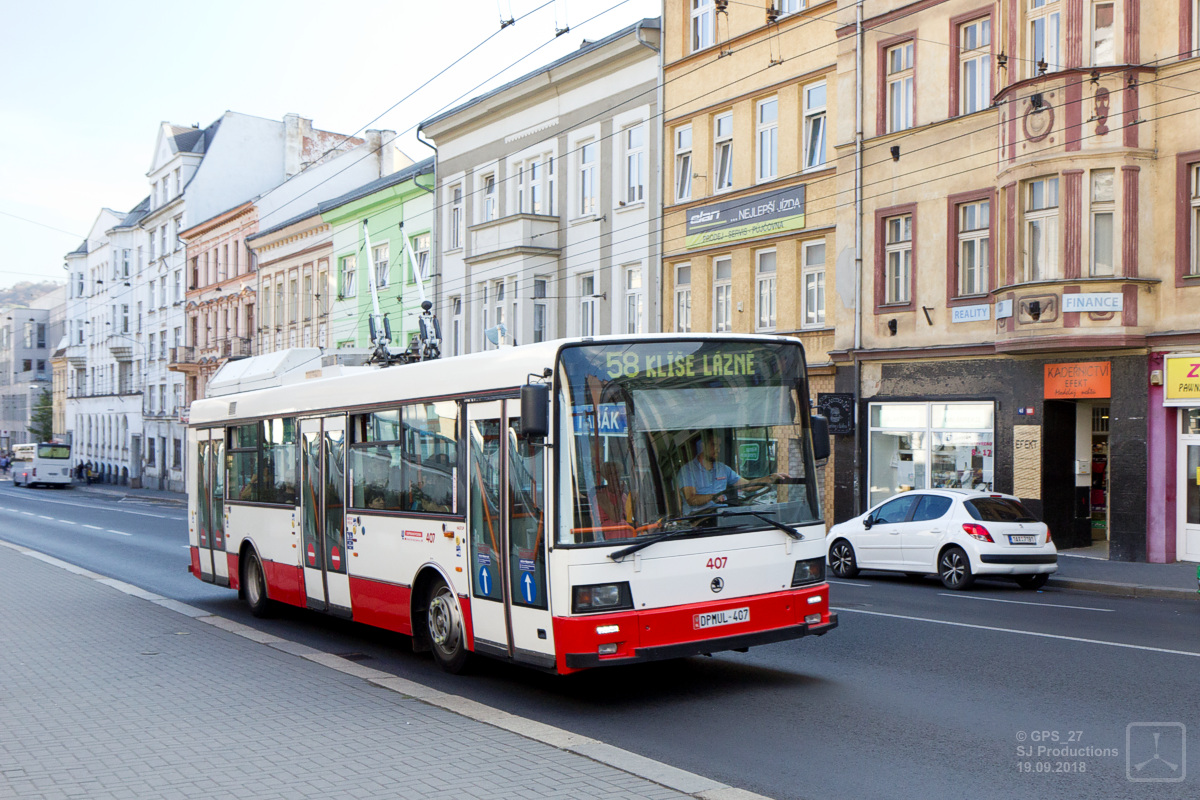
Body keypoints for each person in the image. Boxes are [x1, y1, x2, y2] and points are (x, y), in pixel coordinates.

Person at [679, 432, 785, 513]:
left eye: (719, 446)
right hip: (697, 520)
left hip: (721, 518)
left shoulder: (723, 469)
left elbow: (748, 486)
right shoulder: (687, 470)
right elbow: (691, 499)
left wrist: (771, 477)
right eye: (713, 445)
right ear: (702, 446)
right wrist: (713, 497)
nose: (717, 449)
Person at [595, 461, 635, 533]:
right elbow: (616, 518)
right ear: (605, 476)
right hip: (607, 530)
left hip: (624, 527)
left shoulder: (624, 495)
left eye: (616, 473)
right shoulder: (601, 495)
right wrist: (619, 496)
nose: (614, 476)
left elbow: (629, 518)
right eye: (610, 474)